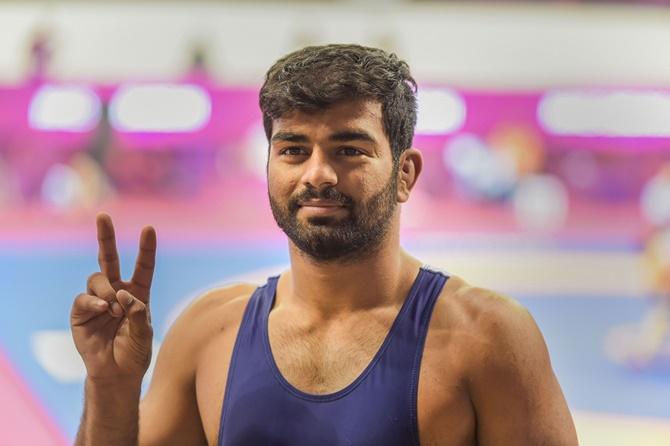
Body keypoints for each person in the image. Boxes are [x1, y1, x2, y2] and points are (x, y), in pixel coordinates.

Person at [71, 44, 578, 446]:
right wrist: (110, 388)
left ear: (405, 174)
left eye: (349, 149)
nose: (317, 174)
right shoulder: (209, 333)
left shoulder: (488, 340)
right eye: (293, 150)